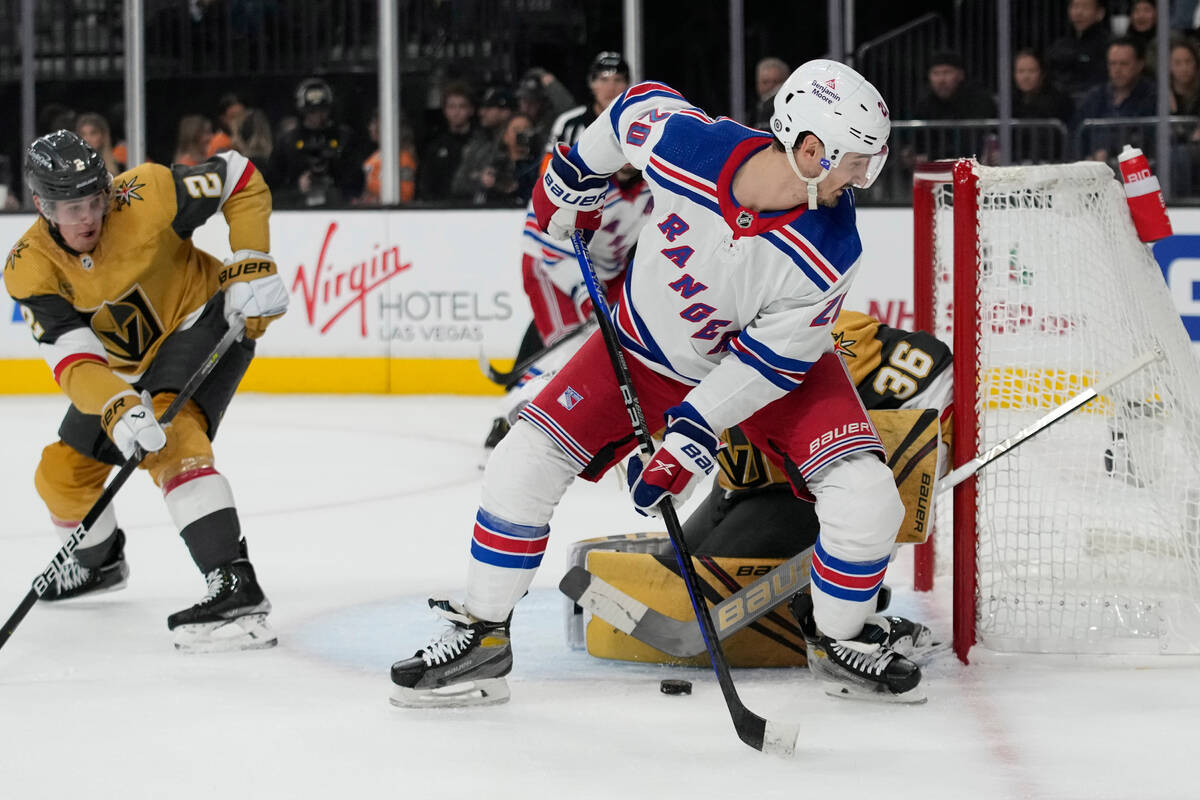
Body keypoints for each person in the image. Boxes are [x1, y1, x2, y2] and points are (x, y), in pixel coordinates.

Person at [391, 60, 921, 707]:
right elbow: (629, 111)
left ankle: (841, 640)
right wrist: (573, 175)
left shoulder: (833, 245)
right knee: (521, 461)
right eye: (856, 160)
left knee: (869, 499)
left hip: (771, 376)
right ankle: (483, 635)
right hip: (641, 350)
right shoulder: (695, 148)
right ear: (810, 148)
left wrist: (692, 434)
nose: (864, 177)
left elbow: (769, 364)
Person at [3, 130, 288, 651]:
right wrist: (115, 405)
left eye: (95, 199)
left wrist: (252, 261)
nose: (88, 217)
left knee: (173, 436)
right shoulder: (30, 267)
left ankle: (234, 583)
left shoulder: (148, 193)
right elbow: (74, 360)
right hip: (123, 368)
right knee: (60, 476)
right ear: (42, 206)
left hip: (202, 319)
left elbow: (238, 176)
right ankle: (99, 563)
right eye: (71, 208)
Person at [481, 164, 653, 454]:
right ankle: (505, 420)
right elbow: (552, 248)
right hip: (550, 265)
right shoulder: (585, 180)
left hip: (607, 272)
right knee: (571, 346)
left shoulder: (653, 182)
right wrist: (586, 294)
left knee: (611, 345)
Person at [267, 77, 362, 208]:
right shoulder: (288, 142)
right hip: (295, 211)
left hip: (338, 208)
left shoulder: (343, 138)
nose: (317, 116)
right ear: (302, 111)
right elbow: (271, 188)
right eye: (311, 111)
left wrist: (335, 177)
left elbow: (357, 184)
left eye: (322, 110)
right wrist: (297, 188)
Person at [1075, 37, 1157, 161]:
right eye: (1113, 63)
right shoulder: (1095, 96)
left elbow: (1148, 138)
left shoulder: (1152, 96)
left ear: (1139, 65)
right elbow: (1077, 134)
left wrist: (1107, 149)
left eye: (1124, 64)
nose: (1117, 70)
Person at [544, 51, 631, 152]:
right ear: (591, 84)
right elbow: (549, 164)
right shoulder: (568, 123)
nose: (610, 88)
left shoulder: (640, 122)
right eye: (603, 80)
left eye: (618, 80)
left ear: (628, 85)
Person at [451, 86, 517, 204]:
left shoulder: (518, 141)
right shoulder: (480, 142)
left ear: (505, 112)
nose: (482, 112)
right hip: (480, 210)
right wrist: (480, 179)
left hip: (512, 210)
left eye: (489, 107)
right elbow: (458, 183)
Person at [416, 82, 476, 202]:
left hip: (474, 210)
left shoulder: (480, 143)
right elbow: (425, 185)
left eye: (462, 106)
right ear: (445, 110)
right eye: (451, 107)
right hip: (442, 211)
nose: (456, 112)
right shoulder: (435, 145)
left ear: (471, 110)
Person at [1046, 0, 1112, 103]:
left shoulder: (1109, 46)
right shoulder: (1060, 45)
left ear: (1100, 13)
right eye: (1075, 7)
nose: (1078, 12)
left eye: (1085, 7)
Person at [913, 51, 998, 120]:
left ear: (961, 75)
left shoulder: (979, 100)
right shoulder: (924, 103)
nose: (941, 80)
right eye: (936, 73)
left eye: (947, 72)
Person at [1013, 49, 1074, 124]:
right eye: (1021, 71)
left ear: (1043, 74)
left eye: (1032, 71)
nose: (1025, 77)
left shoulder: (1058, 102)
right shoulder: (1010, 102)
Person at [752, 56, 789, 129]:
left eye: (776, 82)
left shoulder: (791, 113)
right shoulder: (752, 113)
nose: (770, 86)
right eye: (765, 82)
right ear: (758, 84)